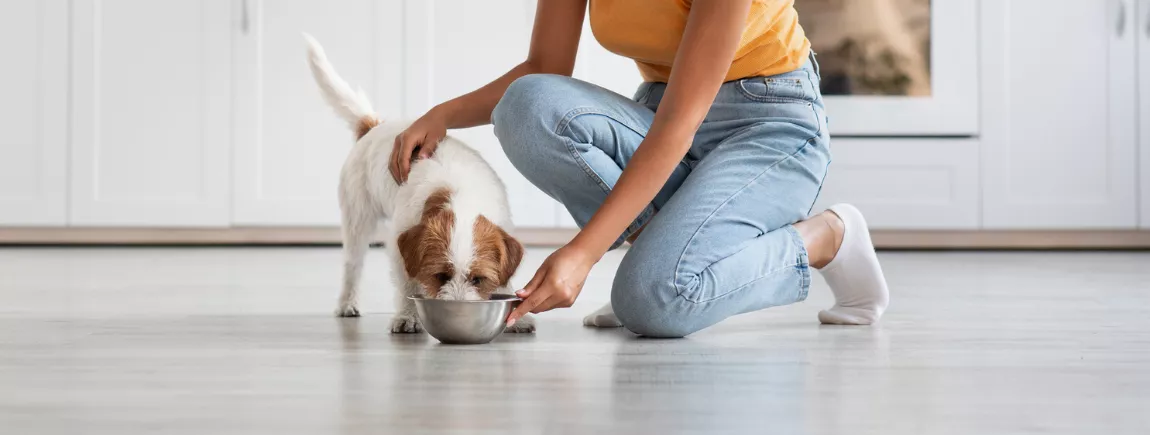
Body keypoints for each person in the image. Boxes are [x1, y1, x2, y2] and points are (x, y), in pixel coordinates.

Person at [389, 0, 889, 338]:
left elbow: (678, 127)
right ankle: (659, 257)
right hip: (656, 110)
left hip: (767, 122)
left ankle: (824, 239)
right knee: (528, 106)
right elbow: (544, 67)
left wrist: (583, 254)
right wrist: (442, 115)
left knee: (654, 301)